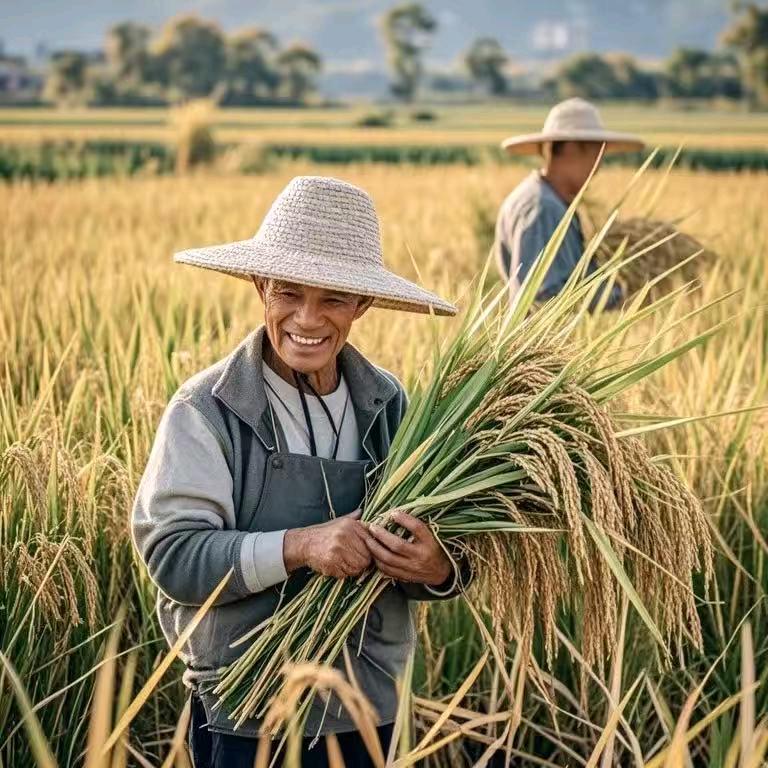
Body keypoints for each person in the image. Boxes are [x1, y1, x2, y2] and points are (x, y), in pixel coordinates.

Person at [131, 176, 465, 768]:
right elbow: (176, 558)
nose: (307, 318)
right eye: (288, 292)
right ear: (261, 287)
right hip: (245, 711)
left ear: (362, 305)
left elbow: (450, 554)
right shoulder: (207, 409)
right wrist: (302, 545)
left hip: (366, 709)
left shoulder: (391, 408)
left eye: (333, 298)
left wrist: (438, 567)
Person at [494, 98, 644, 307]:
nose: (598, 165)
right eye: (596, 153)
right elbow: (545, 294)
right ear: (572, 148)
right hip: (543, 340)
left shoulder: (544, 199)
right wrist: (620, 298)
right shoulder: (543, 208)